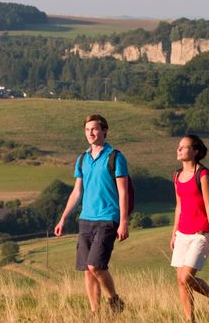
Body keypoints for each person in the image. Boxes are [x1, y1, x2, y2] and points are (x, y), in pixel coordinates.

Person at [54, 114, 129, 315]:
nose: (90, 133)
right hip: (86, 219)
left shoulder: (115, 157)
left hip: (107, 218)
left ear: (104, 130)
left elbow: (123, 191)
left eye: (94, 129)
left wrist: (123, 221)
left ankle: (114, 299)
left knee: (95, 265)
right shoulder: (82, 159)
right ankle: (95, 313)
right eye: (87, 130)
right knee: (87, 271)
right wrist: (63, 218)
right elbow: (77, 191)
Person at [170, 134, 209, 322]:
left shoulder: (202, 174)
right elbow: (178, 206)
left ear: (195, 152)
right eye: (179, 146)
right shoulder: (177, 175)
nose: (179, 149)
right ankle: (190, 319)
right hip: (182, 233)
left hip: (201, 233)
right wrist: (173, 234)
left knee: (186, 278)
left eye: (184, 147)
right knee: (181, 281)